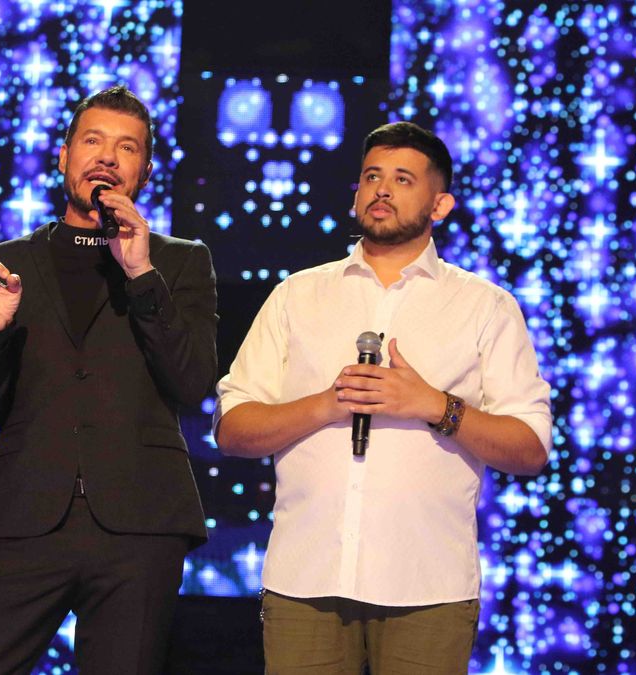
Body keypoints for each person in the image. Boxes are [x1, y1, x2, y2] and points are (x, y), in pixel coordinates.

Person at [215, 121, 552, 674]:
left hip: (429, 587)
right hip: (305, 580)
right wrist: (329, 402)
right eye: (371, 176)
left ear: (440, 204)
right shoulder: (297, 295)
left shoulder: (486, 306)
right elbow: (232, 428)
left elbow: (530, 447)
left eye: (402, 178)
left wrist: (432, 405)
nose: (382, 190)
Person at [0, 85, 218, 674]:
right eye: (93, 140)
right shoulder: (3, 262)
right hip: (26, 517)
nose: (107, 157)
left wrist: (141, 272)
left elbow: (192, 382)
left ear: (143, 169)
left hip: (141, 524)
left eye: (127, 147)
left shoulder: (179, 261)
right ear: (64, 154)